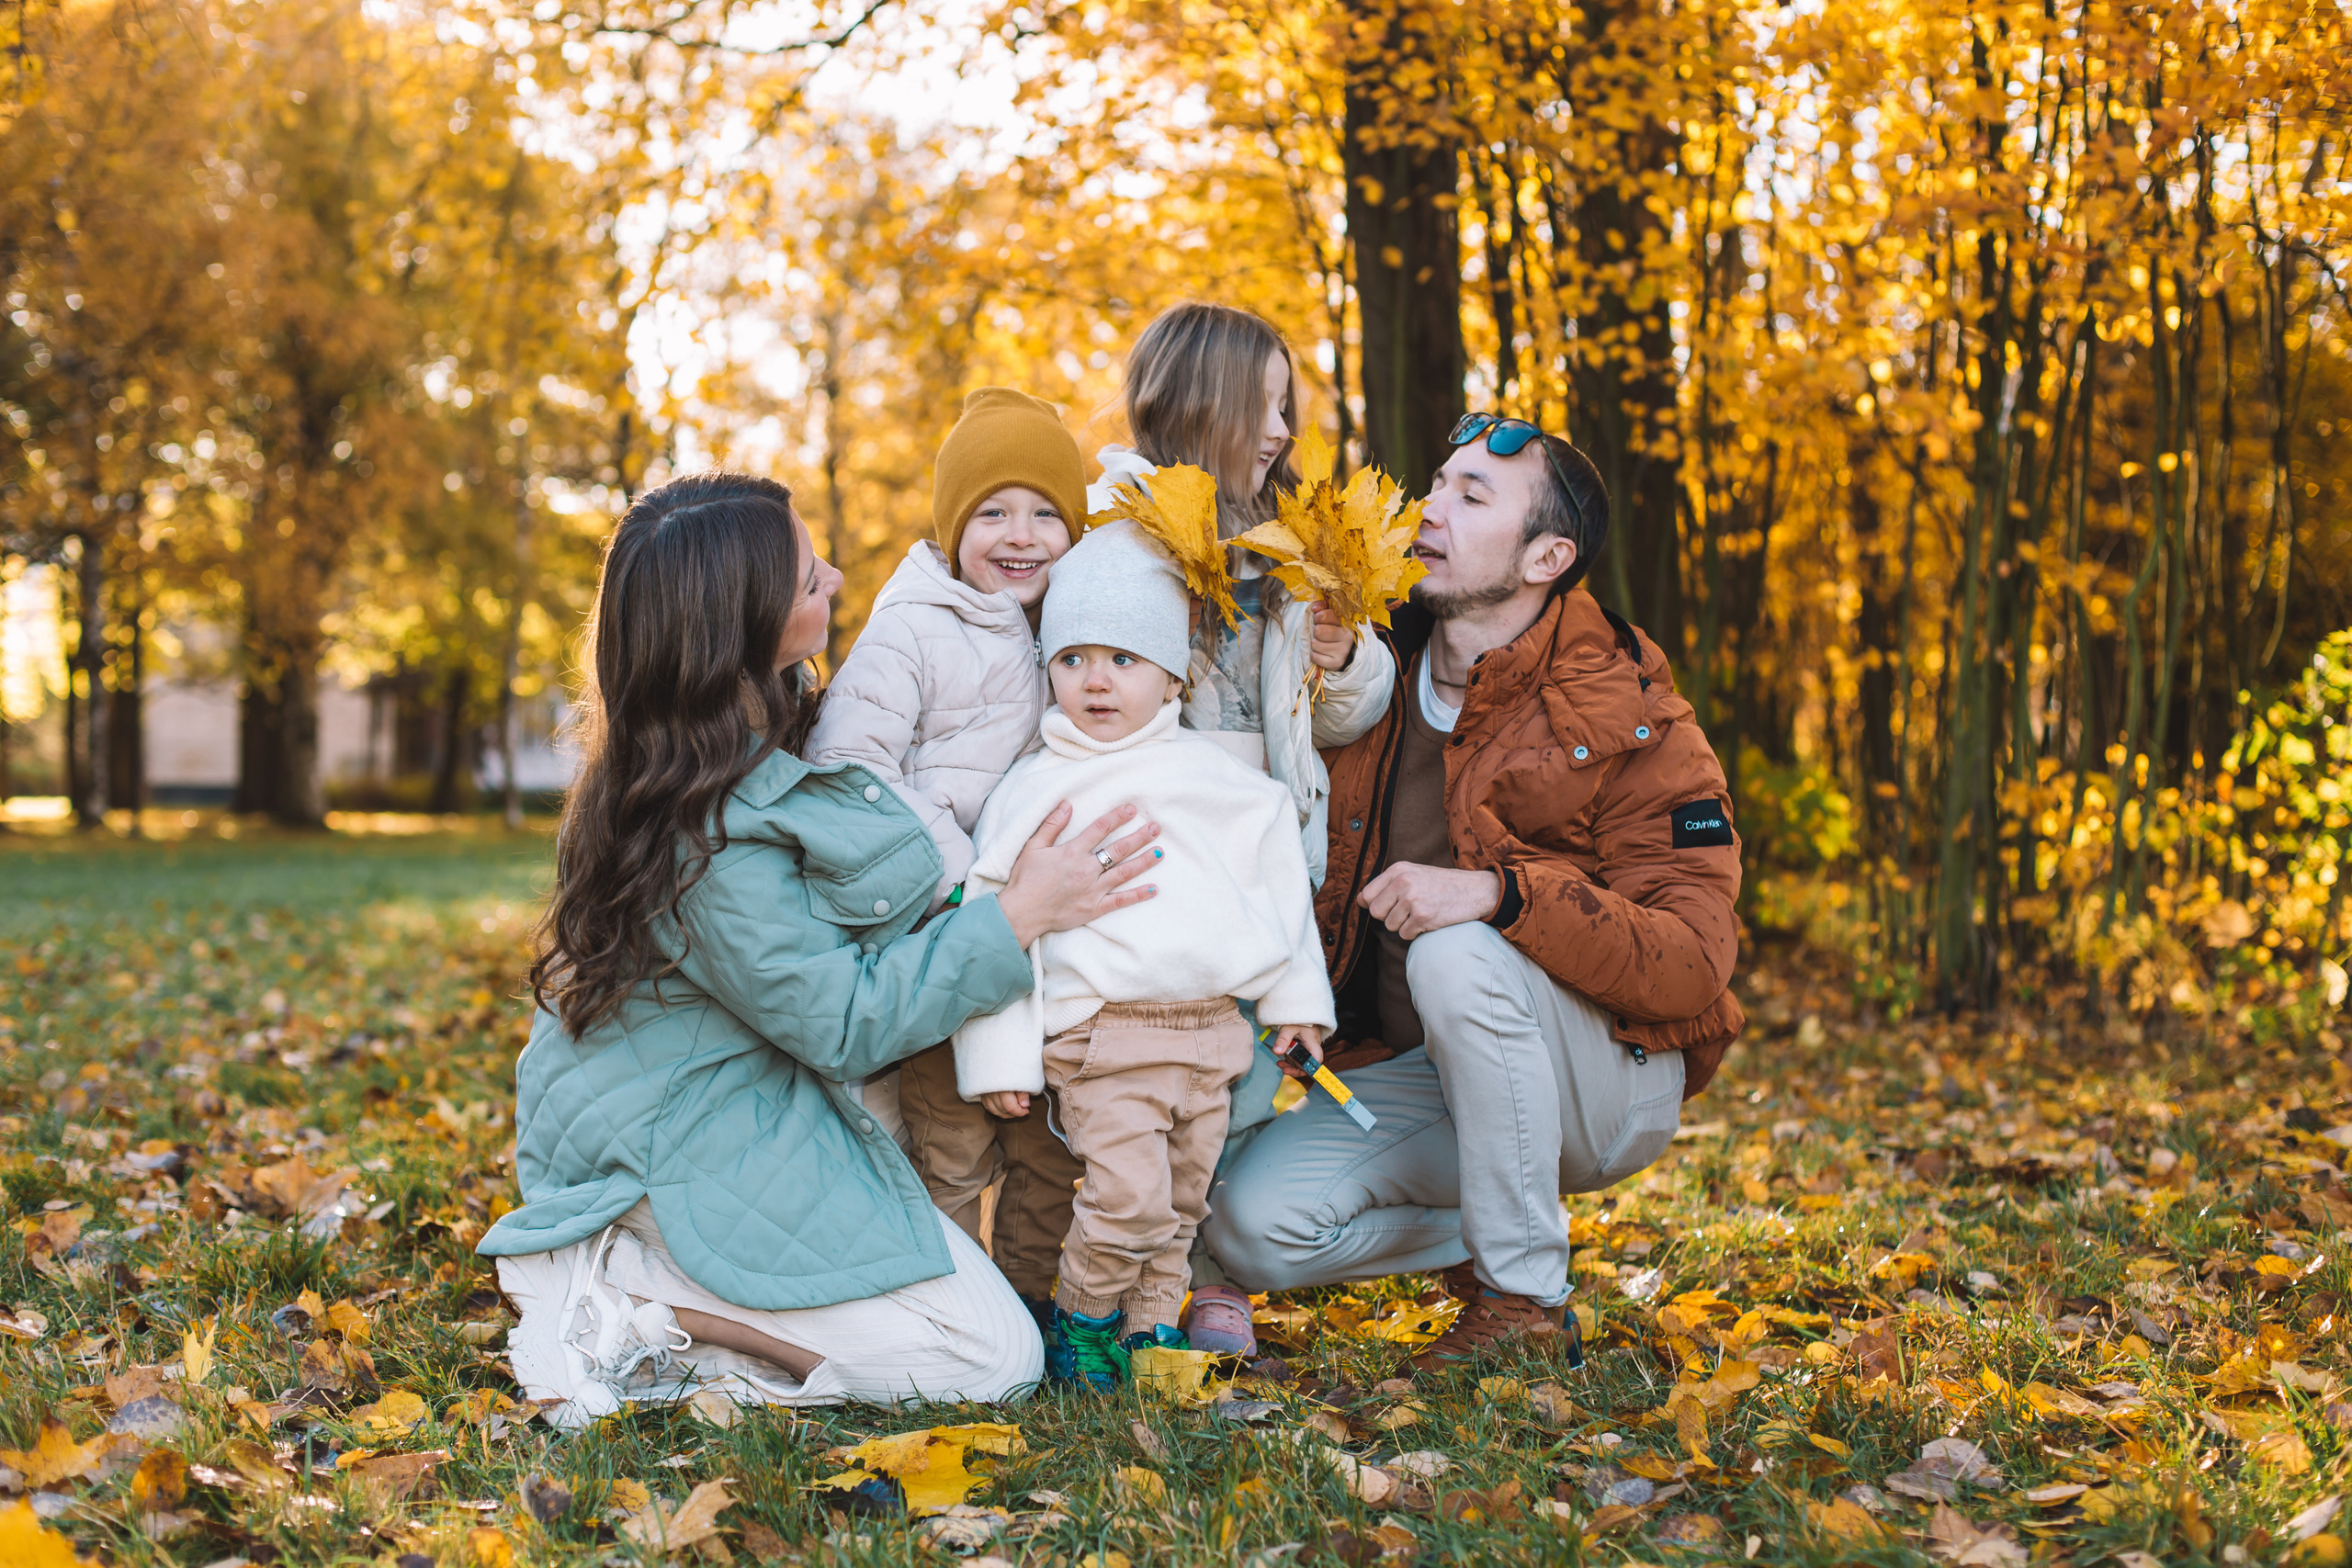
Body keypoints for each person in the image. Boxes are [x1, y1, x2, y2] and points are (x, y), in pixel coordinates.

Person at [478, 473, 1162, 1425]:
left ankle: (668, 1308)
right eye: (807, 581)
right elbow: (844, 1022)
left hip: (752, 1100)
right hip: (673, 1142)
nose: (836, 579)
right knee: (988, 1361)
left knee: (979, 1337)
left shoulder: (759, 729)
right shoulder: (696, 825)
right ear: (739, 627)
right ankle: (628, 1299)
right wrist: (1016, 916)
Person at [1203, 416, 1747, 1373]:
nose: (1429, 510)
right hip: (1428, 1072)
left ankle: (1526, 1302)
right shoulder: (1359, 672)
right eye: (1437, 483)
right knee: (1252, 1226)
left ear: (1548, 556)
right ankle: (1488, 1232)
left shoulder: (1627, 708)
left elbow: (1692, 962)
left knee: (1457, 948)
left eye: (1471, 497)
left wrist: (1500, 897)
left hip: (1606, 1078)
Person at [949, 521, 1335, 1386]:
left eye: (1123, 659)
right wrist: (998, 1055)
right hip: (1104, 1038)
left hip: (1211, 1037)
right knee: (1128, 1197)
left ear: (1170, 672)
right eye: (1074, 657)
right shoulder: (1037, 785)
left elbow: (1278, 885)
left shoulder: (1224, 781)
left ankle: (1151, 1330)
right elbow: (998, 921)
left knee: (1182, 1204)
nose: (1096, 679)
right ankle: (1080, 1320)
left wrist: (1297, 1002)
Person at [1082, 300, 1397, 1354]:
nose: (1279, 431)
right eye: (1259, 407)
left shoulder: (1291, 548)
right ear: (1192, 404)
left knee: (1245, 1076)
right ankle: (1123, 1269)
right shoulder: (1122, 530)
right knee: (1155, 1070)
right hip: (1165, 854)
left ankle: (1211, 1268)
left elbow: (1346, 714)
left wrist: (1344, 659)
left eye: (1286, 408)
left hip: (1268, 852)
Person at [802, 389, 1089, 1338]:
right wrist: (963, 880)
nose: (1022, 535)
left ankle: (1033, 1307)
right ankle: (951, 1313)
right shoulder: (912, 625)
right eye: (993, 512)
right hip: (937, 932)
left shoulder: (1075, 631)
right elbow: (849, 765)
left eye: (1047, 512)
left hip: (1045, 950)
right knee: (953, 1143)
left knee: (1049, 1145)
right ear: (952, 525)